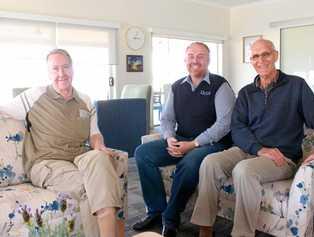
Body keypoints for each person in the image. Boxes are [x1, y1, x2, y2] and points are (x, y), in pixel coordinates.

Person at [190, 38, 314, 237]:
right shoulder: (246, 92)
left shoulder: (296, 85)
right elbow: (237, 127)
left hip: (282, 156)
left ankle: (242, 234)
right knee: (210, 162)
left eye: (265, 54)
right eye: (255, 56)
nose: (261, 60)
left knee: (244, 170)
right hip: (248, 150)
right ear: (251, 61)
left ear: (275, 55)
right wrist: (259, 149)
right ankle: (205, 229)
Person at [0, 49, 124, 237]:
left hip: (79, 157)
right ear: (48, 72)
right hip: (46, 163)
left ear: (73, 69)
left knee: (102, 162)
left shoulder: (85, 100)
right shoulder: (35, 96)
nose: (61, 74)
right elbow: (3, 110)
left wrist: (100, 148)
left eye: (65, 67)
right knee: (92, 187)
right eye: (55, 69)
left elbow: (95, 134)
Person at [132, 42, 235, 237]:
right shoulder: (177, 86)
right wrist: (170, 137)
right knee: (142, 153)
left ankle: (170, 219)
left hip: (213, 144)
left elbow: (224, 124)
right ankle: (155, 210)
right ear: (185, 59)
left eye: (200, 56)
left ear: (209, 60)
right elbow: (167, 118)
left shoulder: (220, 85)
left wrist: (194, 144)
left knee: (188, 163)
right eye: (191, 56)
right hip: (182, 138)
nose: (195, 60)